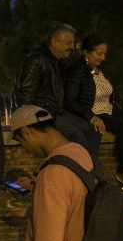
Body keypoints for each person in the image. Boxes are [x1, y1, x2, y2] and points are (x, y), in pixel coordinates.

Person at [10, 104, 91, 241]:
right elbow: (72, 193)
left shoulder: (53, 174)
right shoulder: (78, 152)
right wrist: (38, 187)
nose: (24, 148)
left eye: (20, 141)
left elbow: (48, 239)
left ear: (26, 131)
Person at [12, 23, 101, 165]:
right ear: (54, 42)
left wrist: (90, 117)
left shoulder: (57, 62)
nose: (72, 47)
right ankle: (82, 174)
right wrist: (33, 125)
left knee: (93, 131)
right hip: (44, 116)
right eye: (68, 43)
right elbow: (25, 97)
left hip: (56, 112)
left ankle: (92, 174)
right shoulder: (36, 60)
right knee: (76, 137)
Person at [64, 34, 123, 192]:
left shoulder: (102, 70)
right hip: (94, 111)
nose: (103, 57)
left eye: (104, 53)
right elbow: (70, 101)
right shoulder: (77, 71)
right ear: (86, 52)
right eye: (99, 53)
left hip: (109, 109)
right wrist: (91, 117)